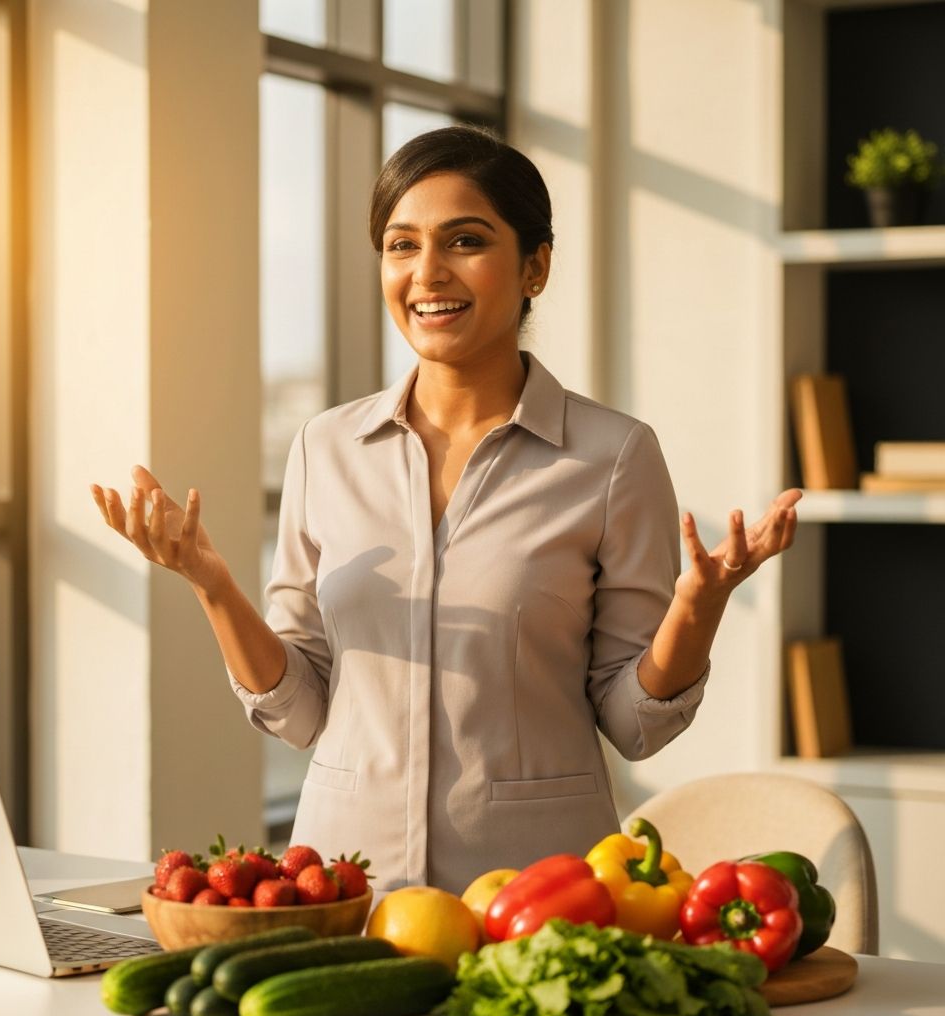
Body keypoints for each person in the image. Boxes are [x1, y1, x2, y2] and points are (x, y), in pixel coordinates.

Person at [90, 125, 800, 895]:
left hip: (535, 895)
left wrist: (699, 605)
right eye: (401, 245)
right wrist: (212, 585)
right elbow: (299, 711)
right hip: (342, 889)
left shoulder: (613, 456)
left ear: (536, 265)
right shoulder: (325, 447)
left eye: (465, 240)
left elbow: (634, 725)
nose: (427, 272)